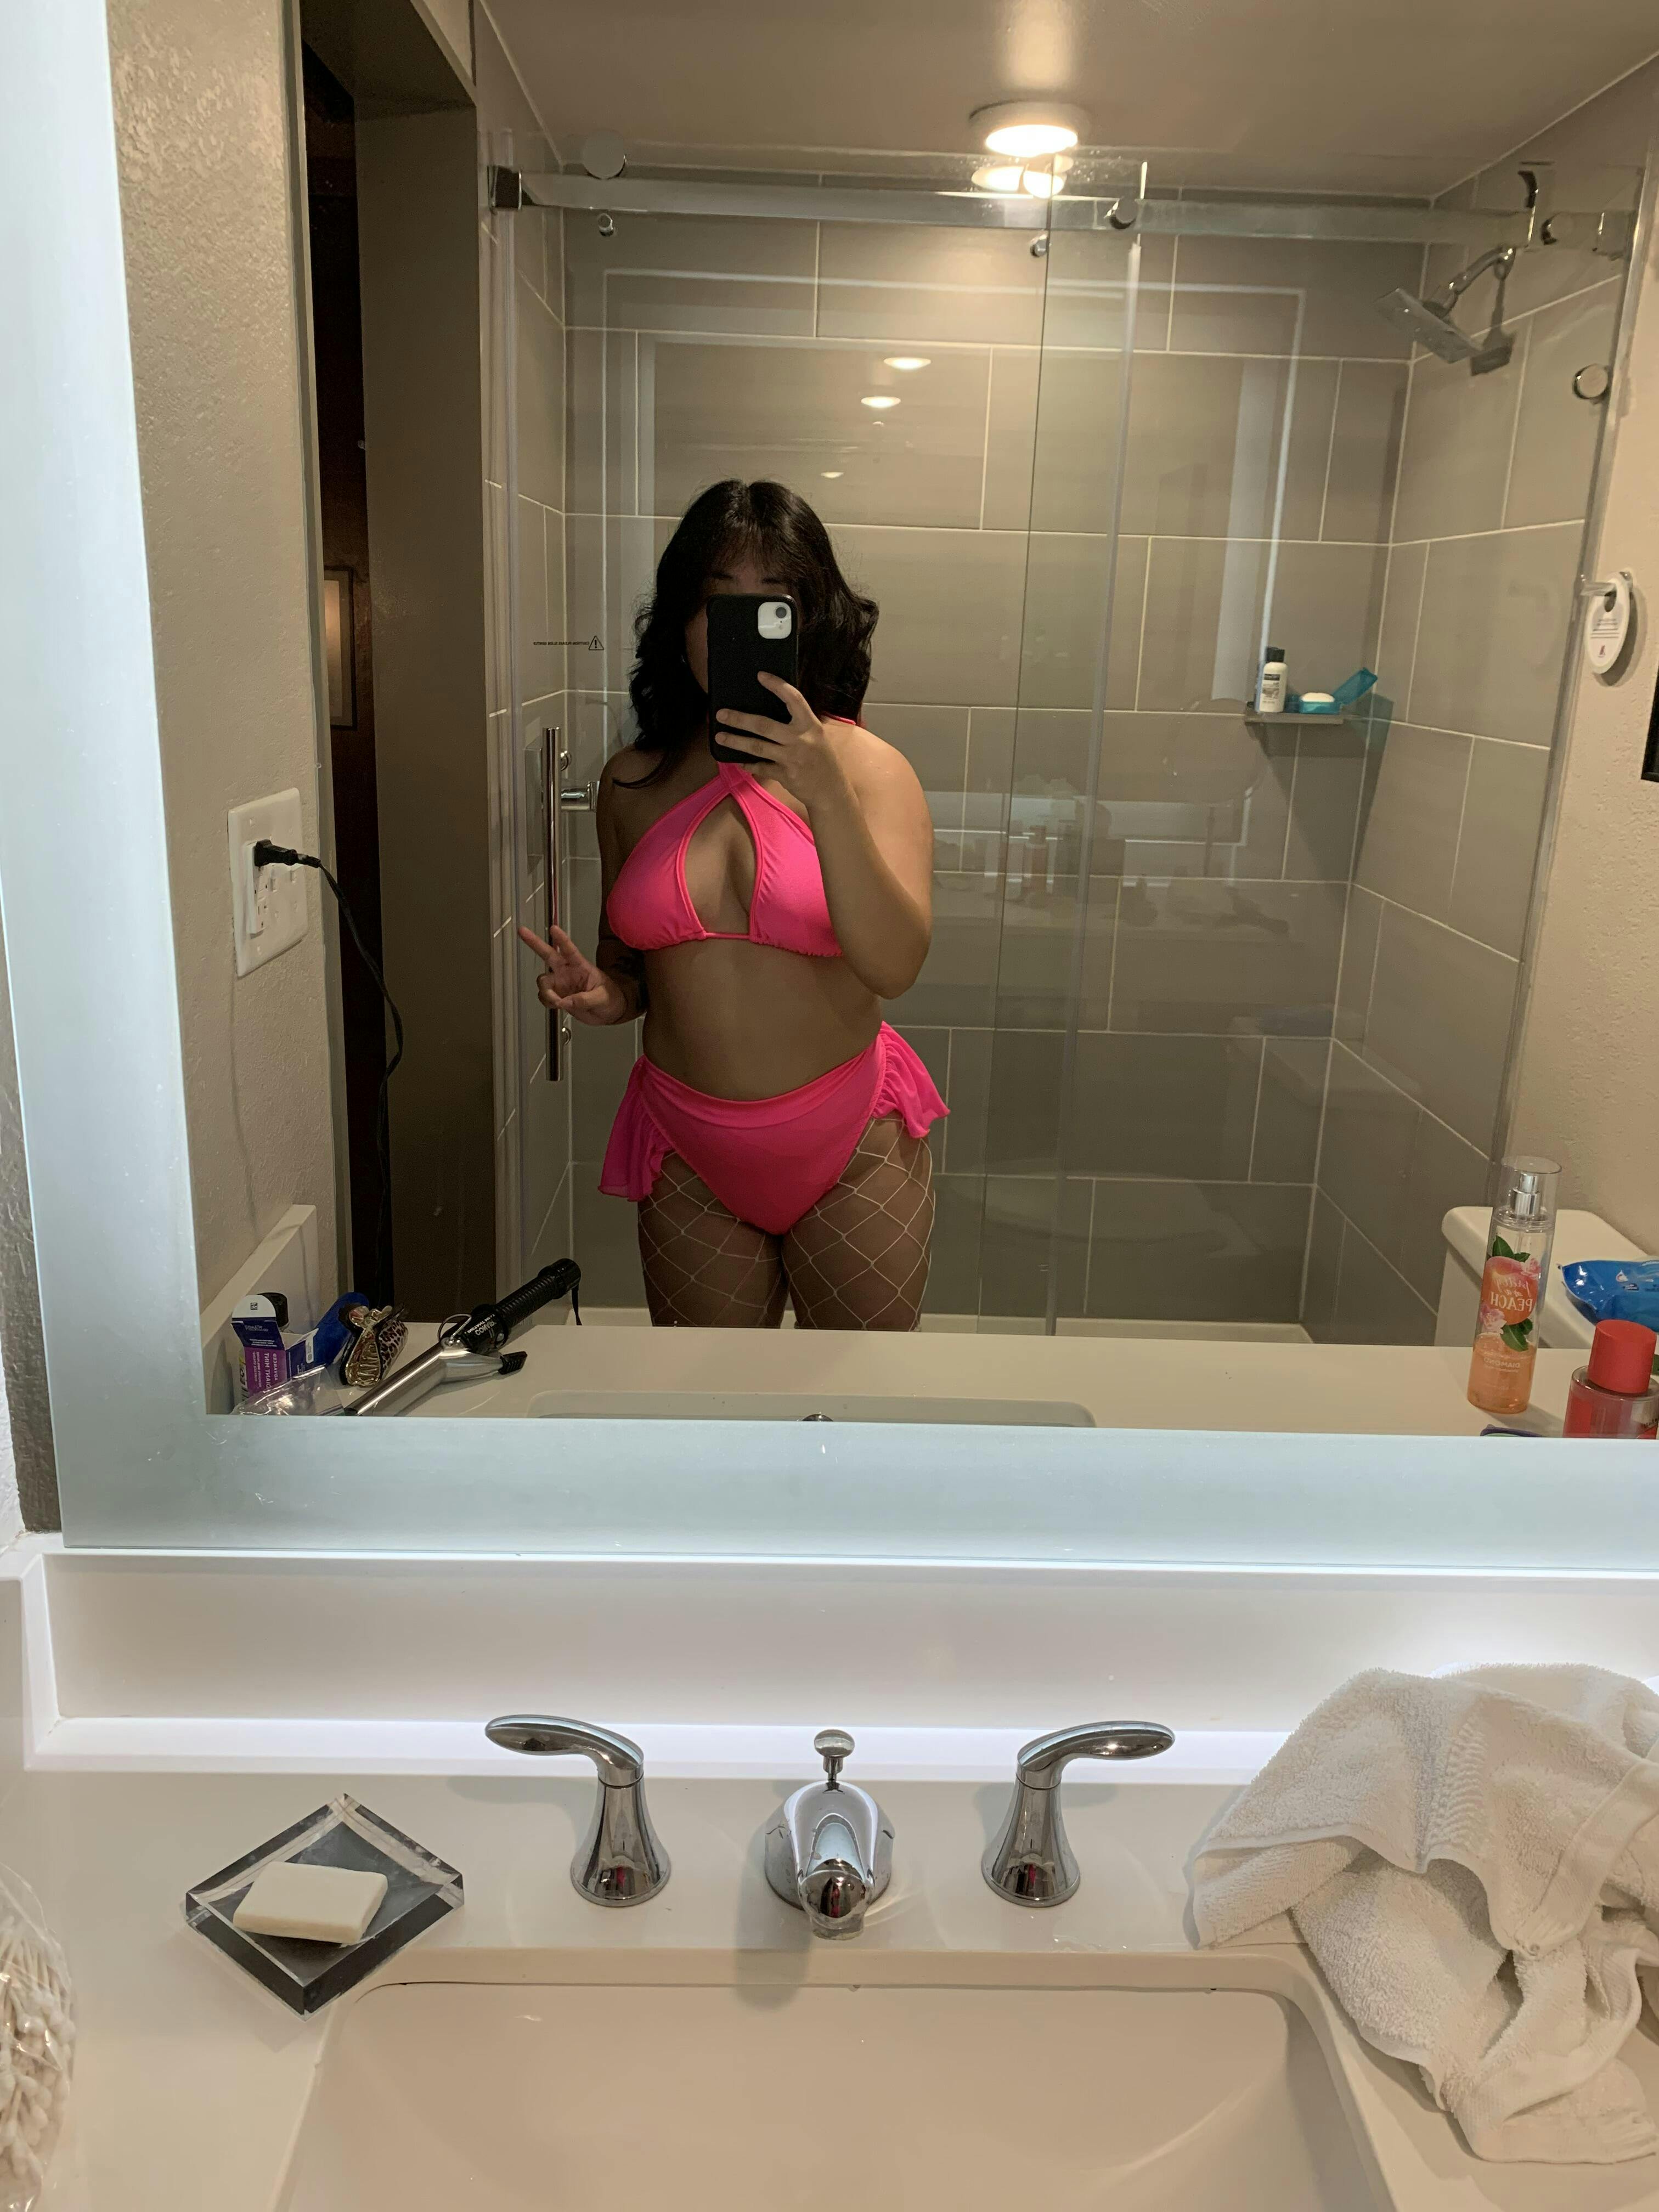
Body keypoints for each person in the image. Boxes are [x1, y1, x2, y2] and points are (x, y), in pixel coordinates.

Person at [517, 479, 943, 1328]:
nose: (737, 628)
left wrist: (823, 791)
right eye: (718, 603)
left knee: (861, 1397)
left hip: (850, 1145)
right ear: (681, 623)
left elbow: (894, 966)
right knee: (704, 1401)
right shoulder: (632, 782)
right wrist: (605, 995)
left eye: (771, 604)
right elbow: (630, 970)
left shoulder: (870, 771)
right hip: (689, 1151)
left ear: (809, 621)